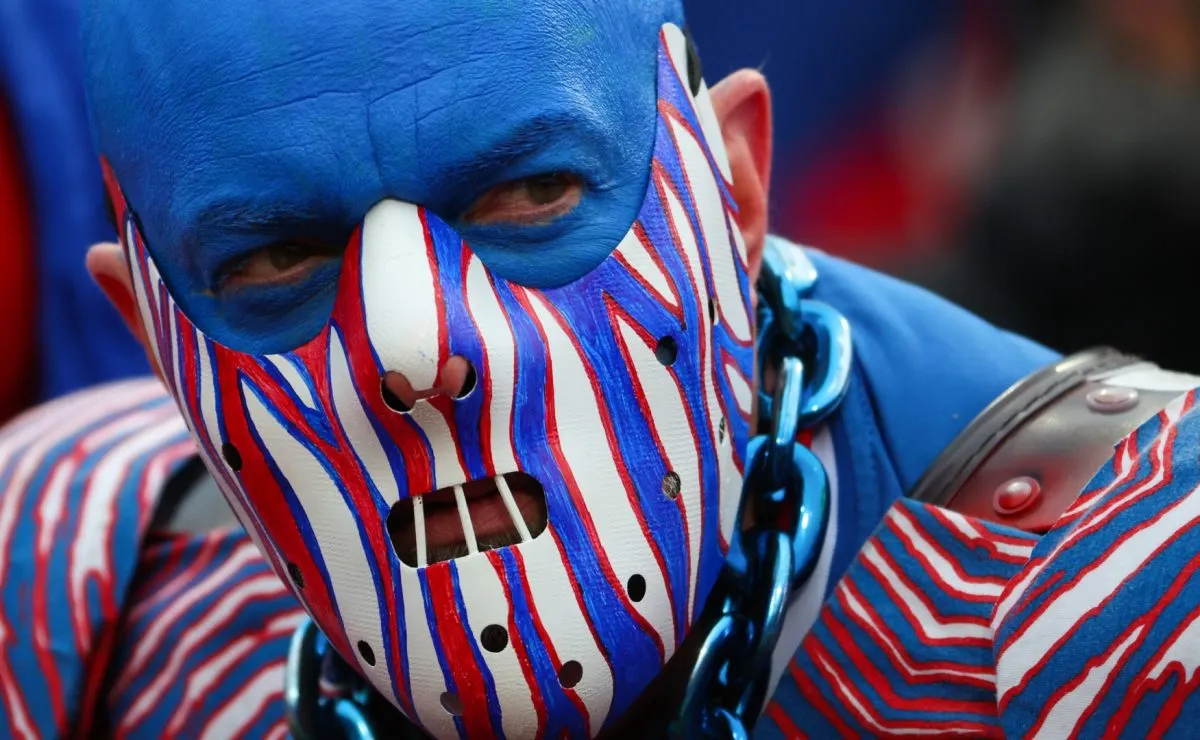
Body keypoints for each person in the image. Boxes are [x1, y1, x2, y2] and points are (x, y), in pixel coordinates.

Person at [1, 0, 1197, 737]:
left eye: (530, 194)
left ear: (732, 180)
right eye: (279, 257)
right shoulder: (77, 567)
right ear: (150, 325)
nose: (417, 350)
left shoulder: (1133, 579)